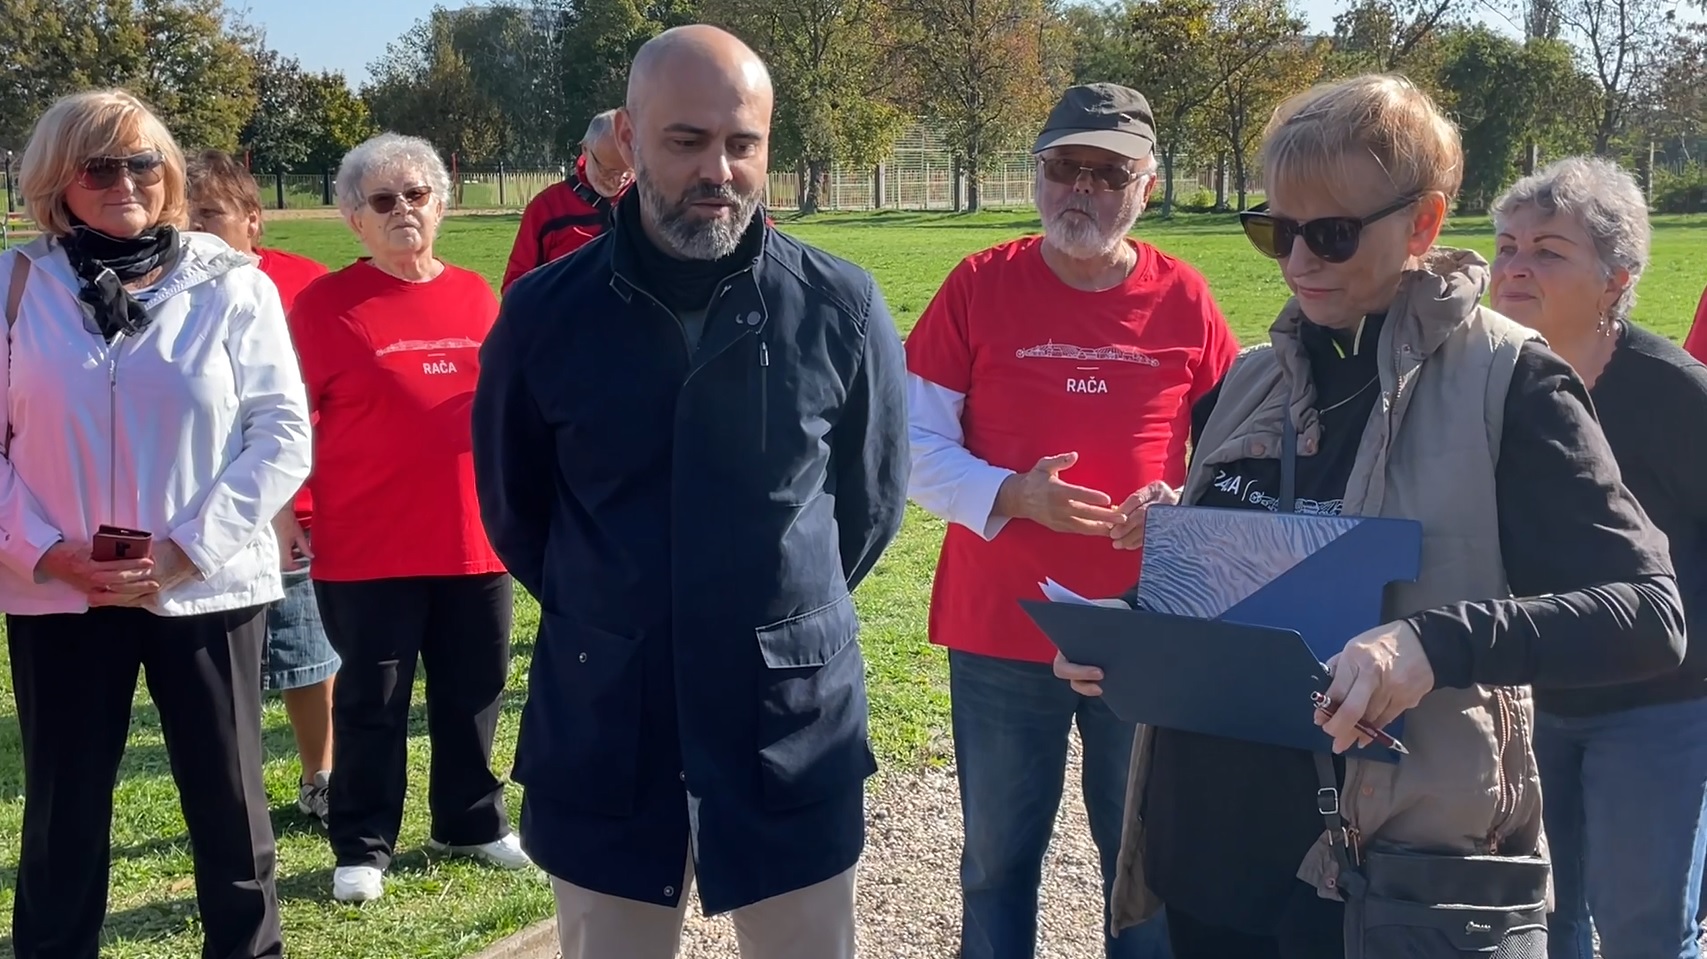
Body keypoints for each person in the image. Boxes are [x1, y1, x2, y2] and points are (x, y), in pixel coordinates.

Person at [1052, 74, 1686, 958]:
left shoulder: (1509, 384)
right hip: (1205, 861)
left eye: (1331, 233)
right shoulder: (1248, 381)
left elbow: (1649, 616)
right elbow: (1237, 589)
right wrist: (1129, 629)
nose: (1297, 262)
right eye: (1275, 230)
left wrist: (1430, 645)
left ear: (1422, 224)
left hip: (1381, 882)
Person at [473, 24, 908, 959]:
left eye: (742, 143)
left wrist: (763, 609)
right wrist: (624, 605)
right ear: (629, 139)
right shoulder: (543, 315)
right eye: (687, 140)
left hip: (788, 718)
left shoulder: (840, 307)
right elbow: (517, 510)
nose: (719, 170)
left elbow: (868, 506)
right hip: (607, 714)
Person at [906, 81, 1233, 959]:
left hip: (1146, 624)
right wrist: (1012, 494)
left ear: (1147, 186)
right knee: (995, 859)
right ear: (1037, 174)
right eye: (1064, 167)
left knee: (1143, 859)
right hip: (1001, 624)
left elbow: (1234, 453)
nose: (1081, 188)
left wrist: (1180, 505)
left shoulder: (1184, 297)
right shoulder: (978, 284)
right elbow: (907, 441)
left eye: (1108, 172)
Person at [2, 88, 312, 959]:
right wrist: (46, 552)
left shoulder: (232, 283)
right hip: (61, 591)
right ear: (56, 181)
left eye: (143, 162)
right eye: (99, 167)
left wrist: (188, 550)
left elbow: (280, 434)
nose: (127, 182)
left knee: (230, 805)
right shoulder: (16, 286)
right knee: (63, 812)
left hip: (208, 586)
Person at [290, 132, 529, 904]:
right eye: (383, 199)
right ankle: (362, 843)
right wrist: (288, 510)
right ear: (352, 217)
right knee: (372, 701)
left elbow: (507, 408)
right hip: (368, 544)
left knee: (475, 687)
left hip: (472, 535)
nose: (403, 210)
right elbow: (286, 420)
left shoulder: (476, 294)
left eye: (417, 194)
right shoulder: (324, 306)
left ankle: (470, 820)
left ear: (440, 205)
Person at [1489, 155, 1707, 959]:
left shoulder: (1675, 393)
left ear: (1616, 279)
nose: (1514, 267)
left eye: (1547, 250)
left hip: (1658, 707)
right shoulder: (1483, 379)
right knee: (1541, 922)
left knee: (1643, 929)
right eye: (1506, 245)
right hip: (1526, 695)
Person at [186, 146, 338, 828]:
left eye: (209, 214)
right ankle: (230, 791)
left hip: (295, 505)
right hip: (203, 510)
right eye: (183, 215)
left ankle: (320, 775)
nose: (194, 227)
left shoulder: (305, 285)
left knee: (307, 652)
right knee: (219, 669)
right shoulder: (167, 288)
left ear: (253, 219)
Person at [500, 109, 631, 293]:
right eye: (608, 171)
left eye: (627, 172)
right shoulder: (547, 208)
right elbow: (515, 290)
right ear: (585, 150)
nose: (617, 180)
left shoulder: (649, 202)